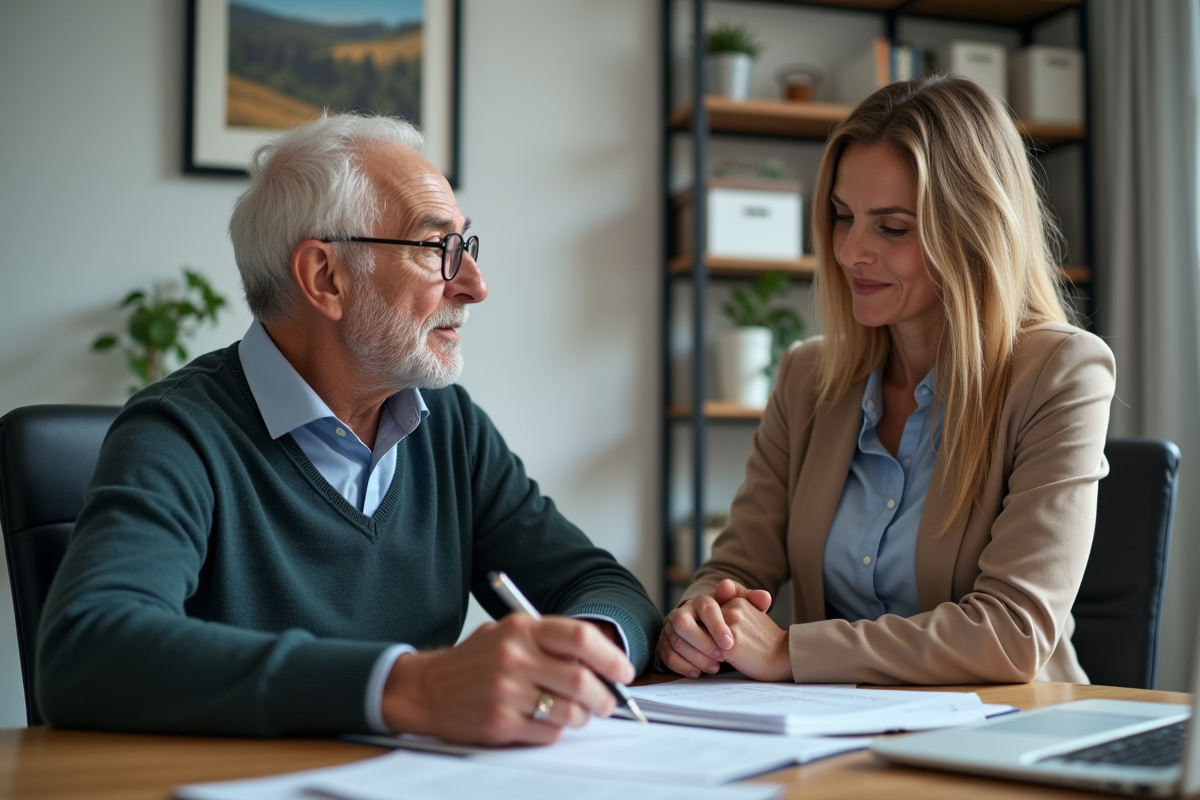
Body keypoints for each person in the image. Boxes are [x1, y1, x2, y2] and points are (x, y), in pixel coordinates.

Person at [37, 113, 661, 745]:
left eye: (465, 246)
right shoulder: (178, 432)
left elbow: (603, 587)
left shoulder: (450, 428)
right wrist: (412, 688)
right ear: (325, 278)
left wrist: (588, 650)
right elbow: (87, 647)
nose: (475, 285)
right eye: (437, 248)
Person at [656, 75, 1115, 686]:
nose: (849, 251)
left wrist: (792, 651)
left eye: (892, 228)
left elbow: (1012, 633)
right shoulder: (806, 377)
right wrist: (702, 620)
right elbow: (738, 566)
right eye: (843, 217)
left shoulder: (1061, 374)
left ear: (975, 232)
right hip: (836, 738)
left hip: (1006, 737)